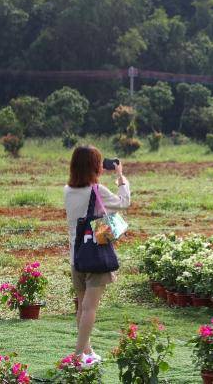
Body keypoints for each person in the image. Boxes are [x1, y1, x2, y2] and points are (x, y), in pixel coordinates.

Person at [65, 145, 130, 363]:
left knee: (82, 306)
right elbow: (124, 203)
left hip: (77, 255)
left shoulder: (68, 190)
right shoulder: (97, 190)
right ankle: (77, 356)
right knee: (90, 308)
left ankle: (88, 352)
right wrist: (120, 177)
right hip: (96, 256)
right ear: (95, 166)